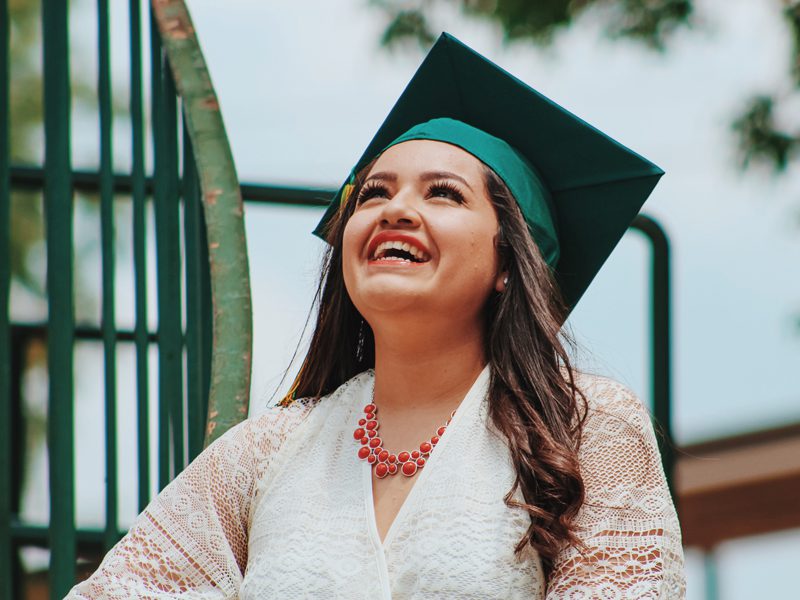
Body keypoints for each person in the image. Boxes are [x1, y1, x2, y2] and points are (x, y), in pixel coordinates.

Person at [67, 33, 685, 599]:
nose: (396, 210)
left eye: (443, 193)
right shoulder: (265, 453)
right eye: (373, 193)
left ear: (508, 262)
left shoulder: (582, 429)